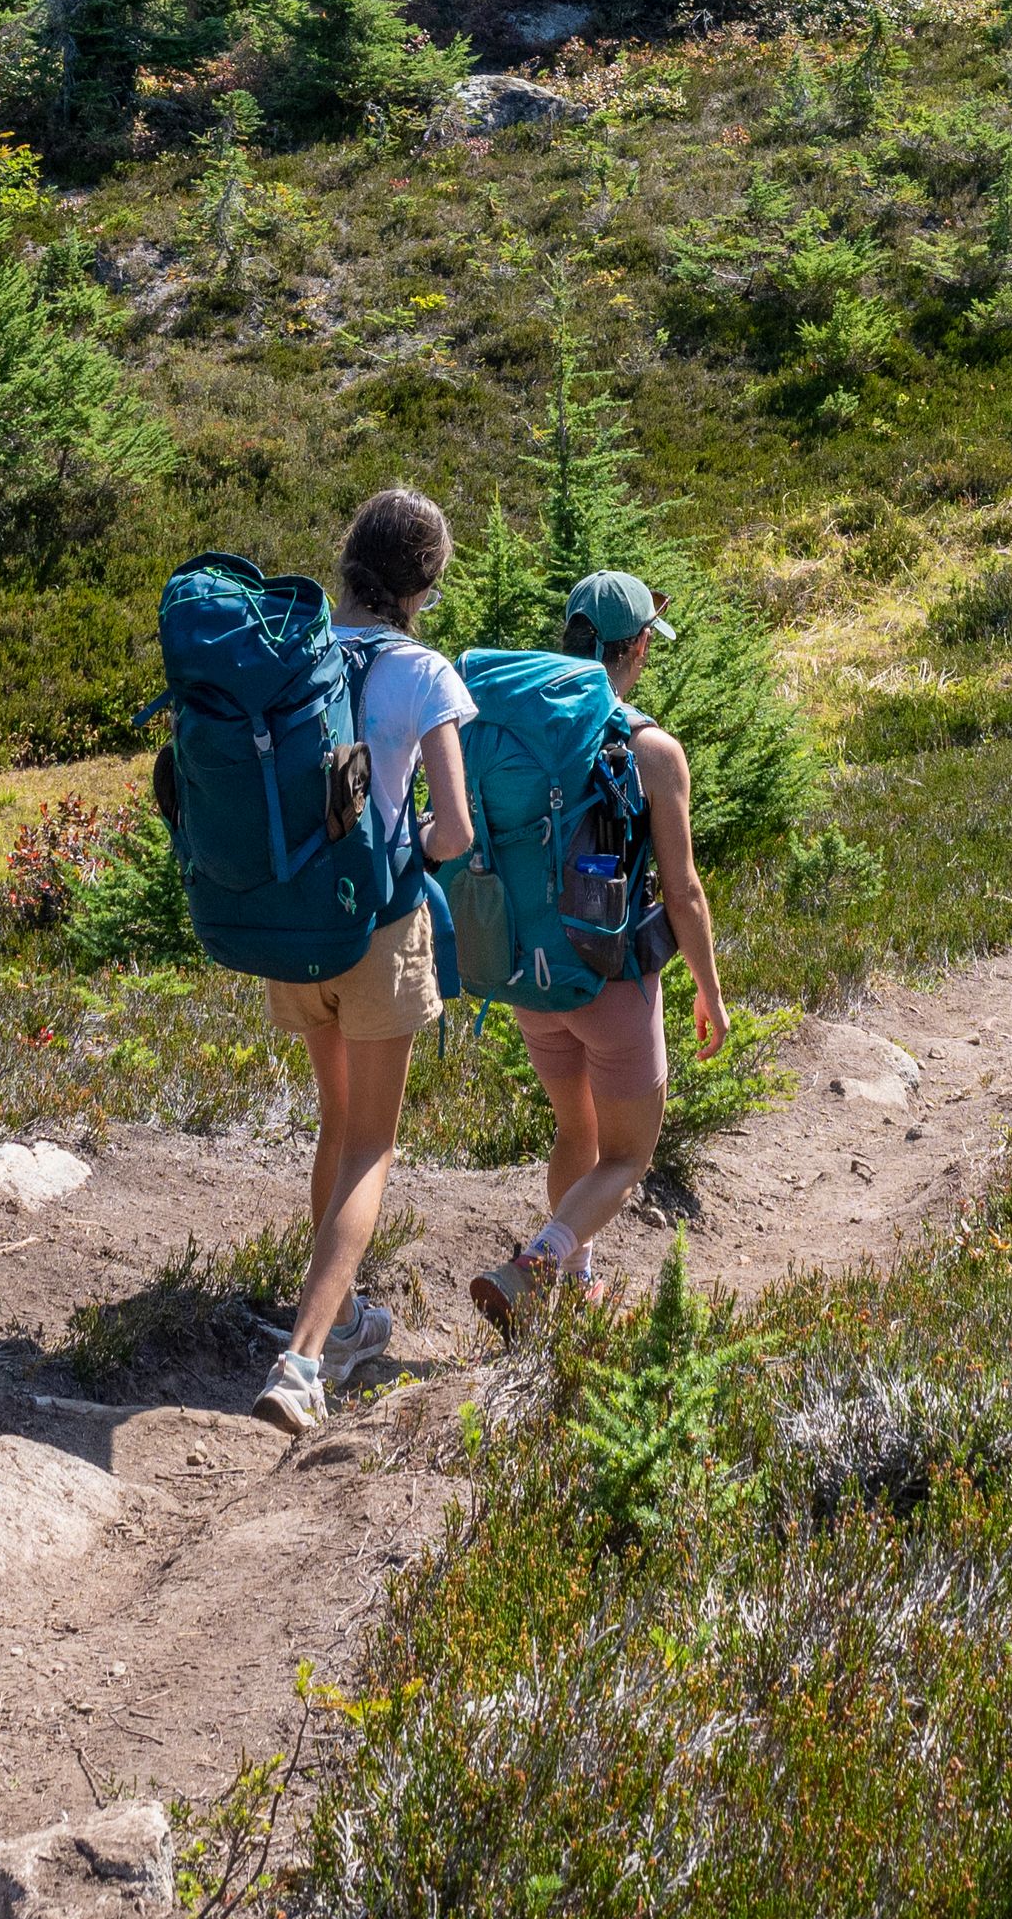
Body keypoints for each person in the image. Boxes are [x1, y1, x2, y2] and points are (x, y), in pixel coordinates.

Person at [258, 485, 477, 1437]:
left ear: (349, 561)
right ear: (423, 583)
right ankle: (305, 1359)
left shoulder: (295, 651)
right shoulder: (421, 671)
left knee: (336, 1126)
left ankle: (340, 1316)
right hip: (378, 934)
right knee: (373, 1146)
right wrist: (410, 843)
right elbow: (457, 833)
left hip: (293, 932)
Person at [468, 571, 730, 1341]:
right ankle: (537, 1266)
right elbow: (682, 891)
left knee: (574, 1134)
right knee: (624, 1157)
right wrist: (710, 990)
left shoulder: (523, 728)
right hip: (611, 983)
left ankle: (576, 1287)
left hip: (529, 978)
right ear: (639, 645)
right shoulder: (654, 750)